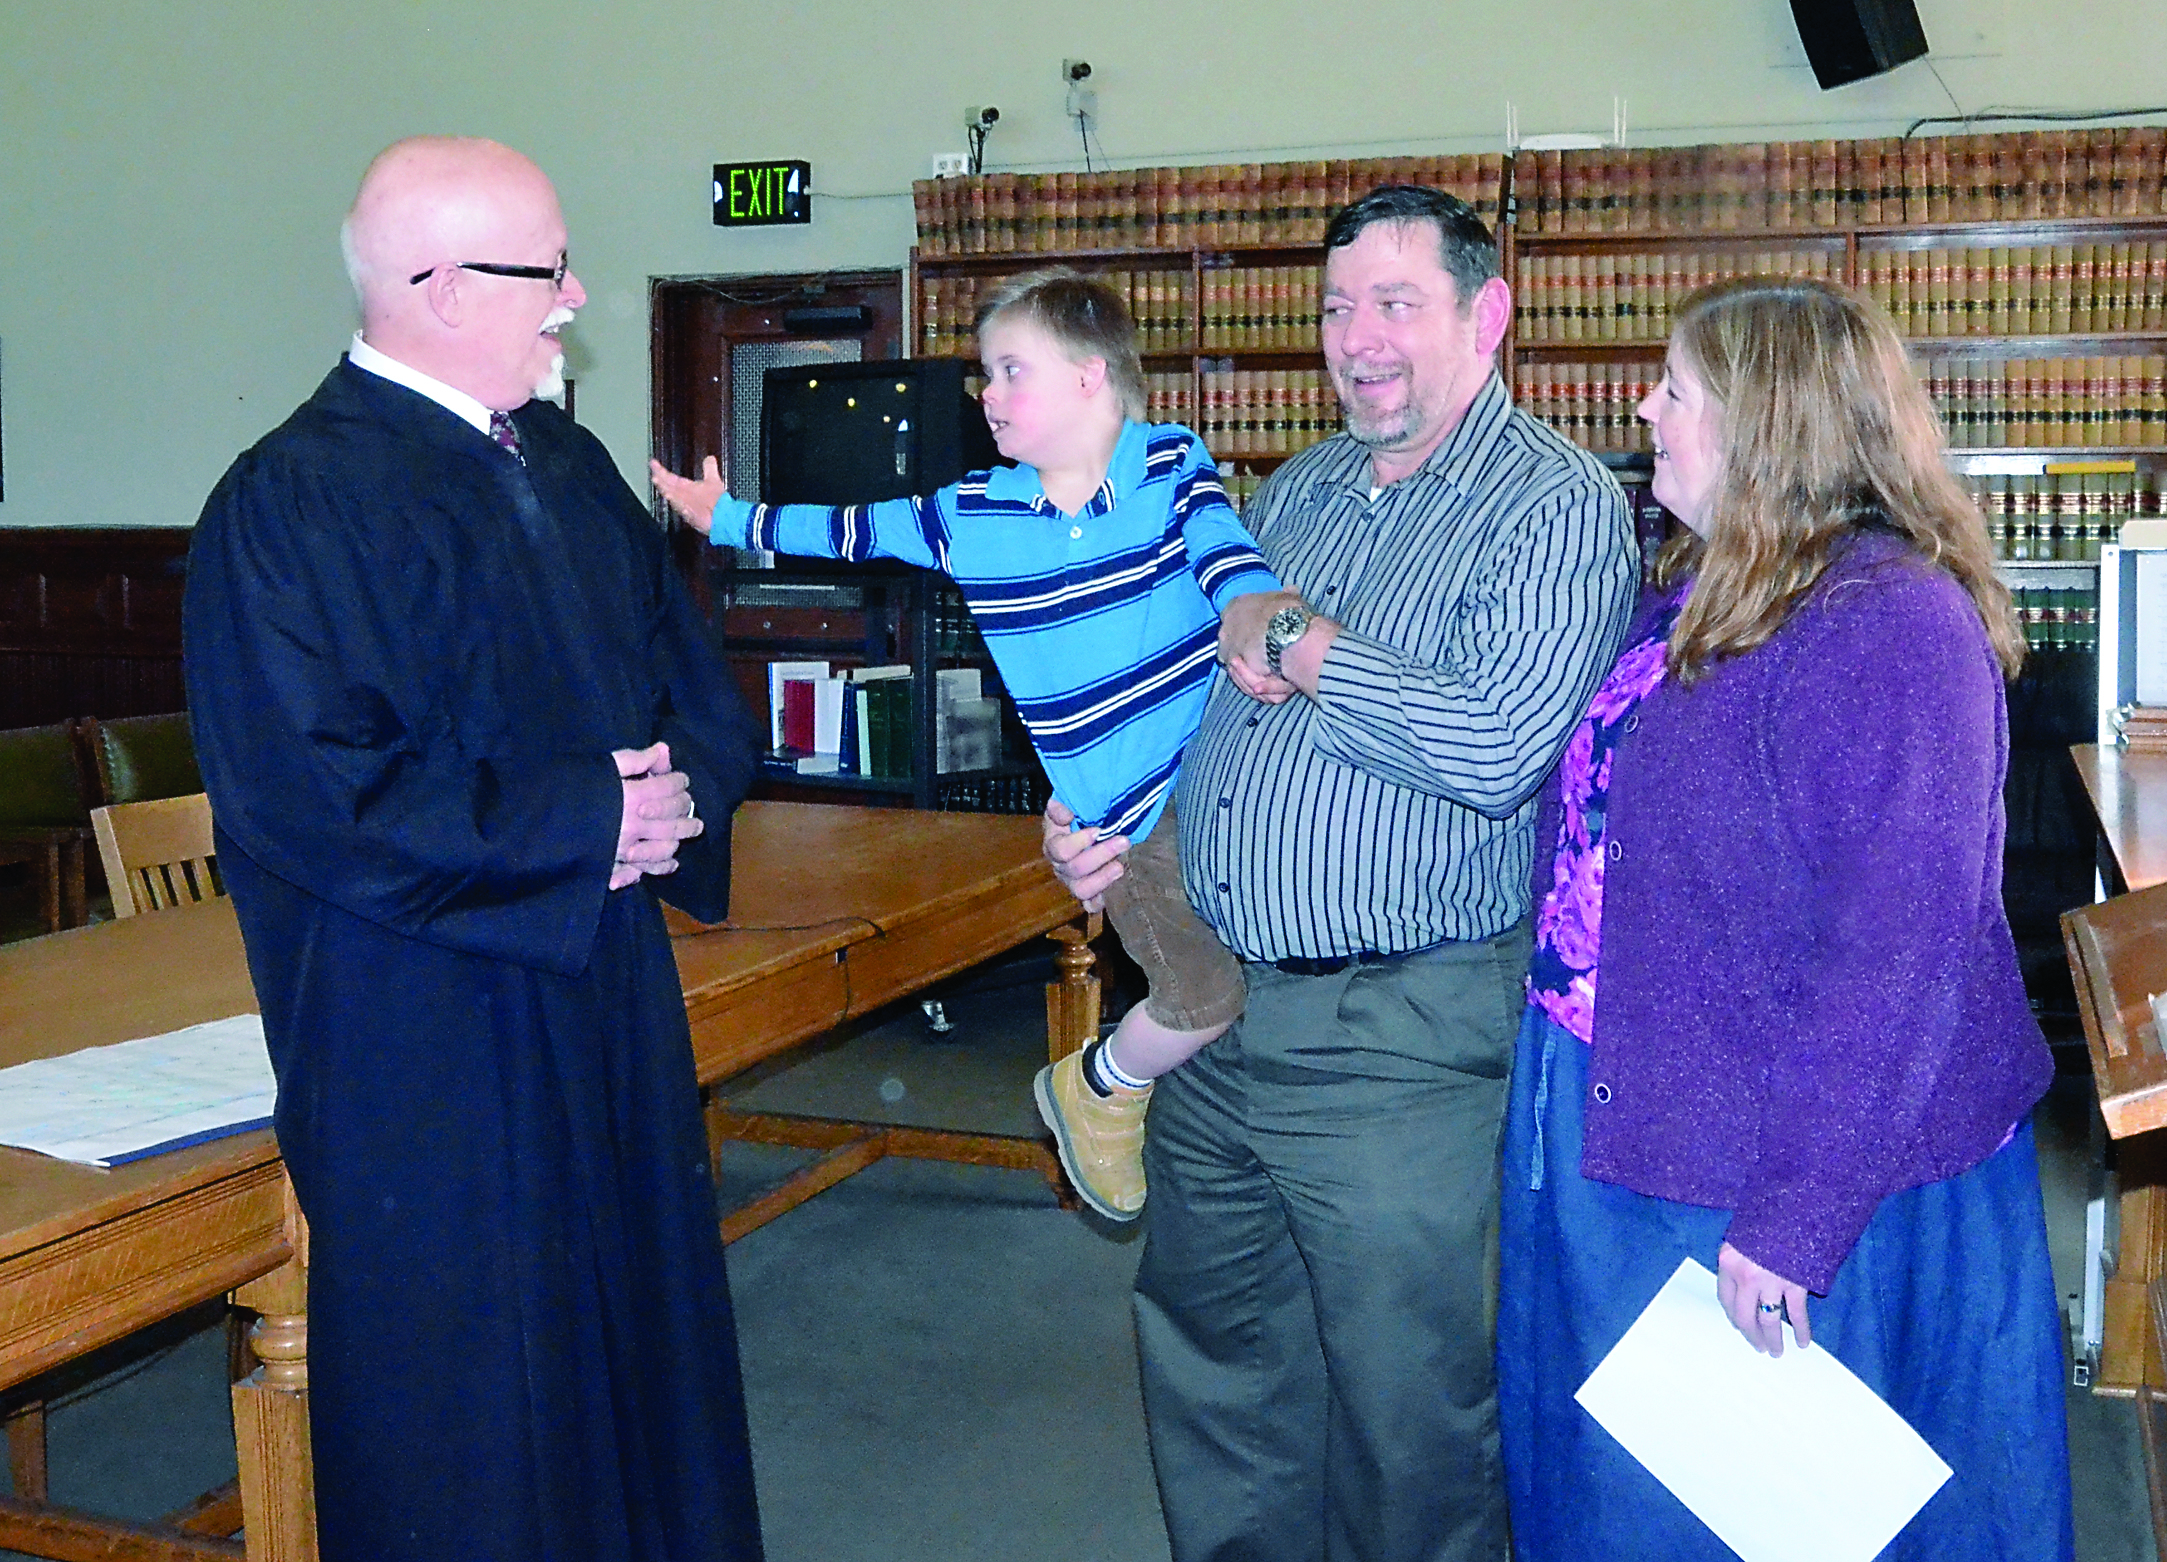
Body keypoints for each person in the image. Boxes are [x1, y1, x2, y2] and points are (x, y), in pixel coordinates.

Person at [183, 136, 766, 1562]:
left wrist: (675, 791)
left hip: (604, 990)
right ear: (439, 286)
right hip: (422, 1030)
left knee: (638, 1349)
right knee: (475, 1399)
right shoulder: (286, 504)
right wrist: (587, 817)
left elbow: (686, 688)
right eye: (546, 268)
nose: (573, 296)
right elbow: (310, 793)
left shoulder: (562, 463)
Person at [1046, 185, 1638, 1562]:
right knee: (1219, 1361)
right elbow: (1199, 712)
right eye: (1333, 307)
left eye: (1393, 304)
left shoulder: (1553, 507)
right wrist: (1108, 823)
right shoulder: (1295, 488)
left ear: (1485, 317)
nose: (1353, 339)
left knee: (1404, 1403)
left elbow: (1494, 744)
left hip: (1399, 1035)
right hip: (1221, 1013)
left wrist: (1302, 640)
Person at [1497, 273, 2073, 1560]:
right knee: (1629, 1496)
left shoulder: (1890, 625)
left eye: (1676, 389)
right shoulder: (1716, 585)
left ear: (1771, 424)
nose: (1643, 407)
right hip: (1633, 1112)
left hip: (1774, 1166)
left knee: (1772, 1517)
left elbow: (1899, 954)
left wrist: (1793, 1219)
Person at [650, 268, 1284, 1223]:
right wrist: (726, 517)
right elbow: (853, 531)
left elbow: (1225, 551)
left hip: (1229, 782)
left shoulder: (1170, 465)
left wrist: (1254, 608)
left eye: (1009, 371)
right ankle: (1098, 1087)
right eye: (984, 375)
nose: (986, 396)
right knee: (1201, 999)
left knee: (1269, 978)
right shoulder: (972, 512)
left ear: (1089, 377)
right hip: (1127, 826)